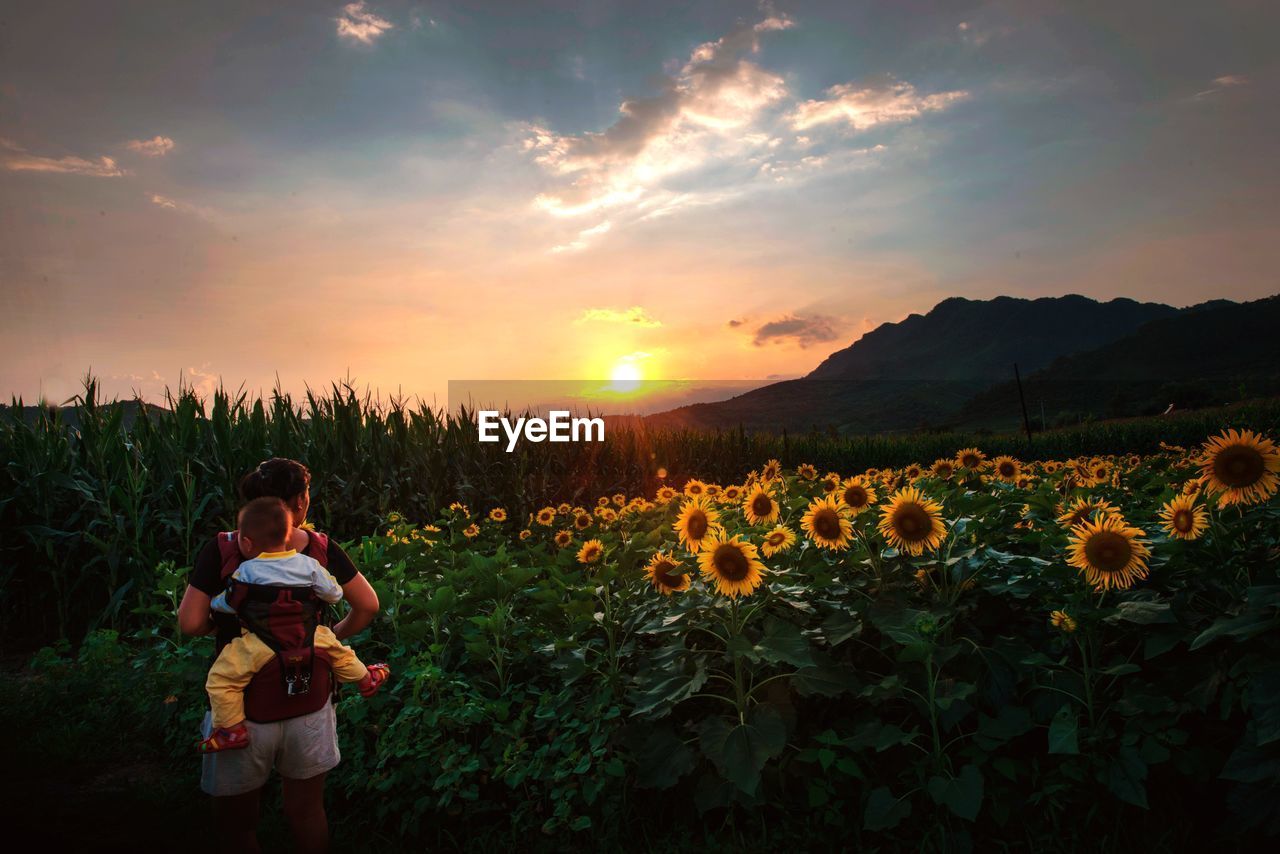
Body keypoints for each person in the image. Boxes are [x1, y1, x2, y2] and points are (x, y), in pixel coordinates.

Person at [177, 458, 380, 854]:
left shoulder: (225, 548)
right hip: (310, 699)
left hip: (244, 707)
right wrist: (324, 639)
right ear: (299, 504)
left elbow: (190, 622)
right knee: (306, 812)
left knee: (236, 825)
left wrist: (229, 629)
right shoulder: (320, 550)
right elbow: (368, 605)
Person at [198, 496, 389, 754]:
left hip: (260, 642)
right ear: (289, 535)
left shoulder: (245, 572)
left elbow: (229, 604)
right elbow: (334, 594)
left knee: (222, 678)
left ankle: (231, 728)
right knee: (337, 651)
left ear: (246, 542)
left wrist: (214, 607)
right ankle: (366, 679)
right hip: (308, 635)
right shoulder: (309, 565)